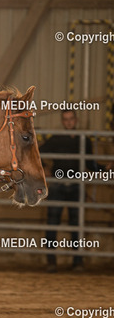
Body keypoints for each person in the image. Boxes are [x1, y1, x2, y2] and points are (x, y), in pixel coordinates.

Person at [39, 109, 103, 273]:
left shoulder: (84, 140)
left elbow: (89, 163)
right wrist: (44, 168)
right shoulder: (56, 139)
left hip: (76, 185)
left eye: (71, 119)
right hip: (58, 185)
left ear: (76, 120)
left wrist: (104, 169)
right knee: (53, 222)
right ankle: (51, 261)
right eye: (66, 119)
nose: (68, 122)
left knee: (76, 224)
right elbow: (37, 153)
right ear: (63, 121)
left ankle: (77, 261)